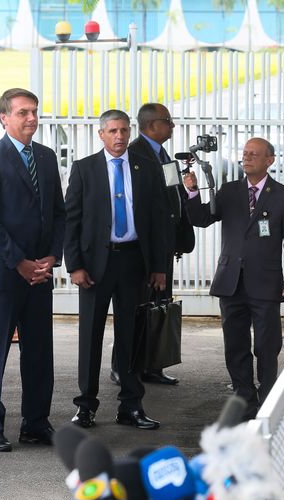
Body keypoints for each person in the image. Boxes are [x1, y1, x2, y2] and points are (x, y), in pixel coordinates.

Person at [0, 88, 65, 452]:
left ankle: (35, 423)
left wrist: (52, 257)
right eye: (23, 112)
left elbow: (58, 212)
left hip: (40, 272)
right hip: (4, 275)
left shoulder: (46, 156)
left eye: (35, 112)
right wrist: (20, 262)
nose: (32, 119)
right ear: (4, 118)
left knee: (40, 352)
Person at [182, 137, 284, 420]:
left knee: (266, 344)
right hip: (231, 281)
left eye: (254, 154)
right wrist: (191, 192)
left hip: (266, 283)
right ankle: (244, 397)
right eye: (245, 154)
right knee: (235, 344)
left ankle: (269, 396)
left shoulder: (283, 195)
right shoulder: (229, 191)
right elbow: (202, 218)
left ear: (269, 160)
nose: (247, 158)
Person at [64, 109, 167, 430]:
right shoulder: (85, 169)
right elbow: (72, 221)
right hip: (95, 266)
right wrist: (75, 265)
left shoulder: (146, 168)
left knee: (130, 336)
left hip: (134, 262)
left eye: (124, 130)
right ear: (101, 134)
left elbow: (159, 219)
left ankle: (131, 406)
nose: (120, 137)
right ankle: (86, 406)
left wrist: (160, 267)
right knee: (91, 335)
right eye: (112, 131)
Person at [109, 102, 194, 387]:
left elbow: (172, 197)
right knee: (133, 310)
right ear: (152, 125)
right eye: (168, 121)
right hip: (141, 249)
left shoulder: (163, 155)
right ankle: (123, 366)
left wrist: (175, 240)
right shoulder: (134, 154)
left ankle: (152, 364)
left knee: (158, 306)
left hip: (162, 248)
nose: (172, 126)